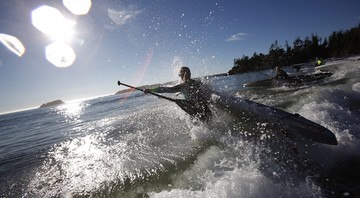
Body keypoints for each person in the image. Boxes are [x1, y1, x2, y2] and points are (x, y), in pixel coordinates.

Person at [145, 66, 212, 122]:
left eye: (179, 74)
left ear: (182, 75)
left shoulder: (182, 86)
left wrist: (151, 90)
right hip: (206, 110)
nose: (179, 76)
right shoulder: (198, 82)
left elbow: (165, 89)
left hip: (195, 112)